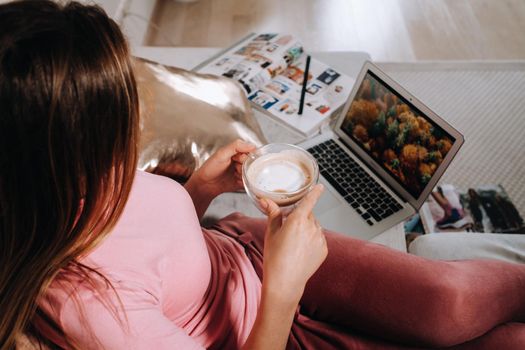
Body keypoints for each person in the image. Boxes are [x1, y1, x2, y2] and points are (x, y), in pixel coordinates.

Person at [1, 1, 524, 349]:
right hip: (267, 329)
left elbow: (151, 245)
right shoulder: (90, 306)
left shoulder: (77, 185)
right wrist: (283, 285)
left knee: (451, 304)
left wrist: (201, 191)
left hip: (247, 251)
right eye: (117, 114)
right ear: (62, 158)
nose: (134, 115)